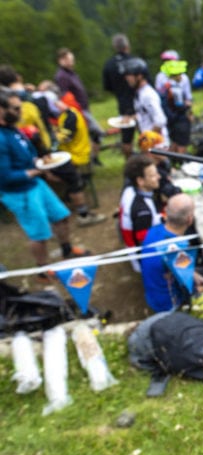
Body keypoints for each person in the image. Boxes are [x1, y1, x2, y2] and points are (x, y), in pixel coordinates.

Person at [0, 89, 89, 282]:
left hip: (36, 183)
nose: (21, 112)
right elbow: (4, 176)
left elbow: (28, 154)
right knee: (39, 233)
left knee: (61, 216)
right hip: (20, 193)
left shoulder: (13, 129)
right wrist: (33, 171)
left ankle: (67, 250)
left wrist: (42, 162)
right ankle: (43, 268)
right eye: (16, 109)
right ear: (1, 110)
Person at [140, 194, 203, 313]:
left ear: (166, 212)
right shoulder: (179, 249)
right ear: (190, 219)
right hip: (168, 305)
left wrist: (197, 277)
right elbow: (187, 286)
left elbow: (181, 269)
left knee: (202, 274)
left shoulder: (155, 230)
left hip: (152, 292)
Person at [45, 91, 107, 227]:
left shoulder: (70, 116)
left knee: (69, 179)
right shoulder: (66, 114)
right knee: (55, 174)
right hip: (71, 153)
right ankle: (69, 198)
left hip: (76, 155)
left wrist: (51, 137)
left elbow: (66, 137)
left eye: (55, 103)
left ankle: (81, 213)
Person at [54, 48, 102, 158]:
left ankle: (93, 157)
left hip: (84, 108)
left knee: (93, 133)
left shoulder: (71, 73)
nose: (70, 61)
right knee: (96, 132)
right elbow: (64, 97)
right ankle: (91, 158)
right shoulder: (62, 76)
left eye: (71, 58)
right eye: (66, 59)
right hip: (77, 111)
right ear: (60, 60)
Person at [119, 154, 162, 271]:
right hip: (143, 259)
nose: (159, 177)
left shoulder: (129, 189)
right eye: (153, 175)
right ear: (140, 181)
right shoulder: (143, 211)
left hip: (130, 242)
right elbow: (147, 245)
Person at [102, 34, 137, 157]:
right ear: (127, 46)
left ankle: (129, 162)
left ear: (115, 47)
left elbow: (107, 87)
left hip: (123, 104)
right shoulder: (135, 61)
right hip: (140, 102)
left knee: (127, 138)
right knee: (147, 132)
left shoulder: (109, 64)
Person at [122, 57, 169, 146]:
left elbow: (160, 120)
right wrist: (132, 118)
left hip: (157, 146)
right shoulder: (139, 92)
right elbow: (144, 112)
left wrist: (146, 140)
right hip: (150, 144)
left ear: (139, 76)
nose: (127, 78)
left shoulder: (148, 95)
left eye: (129, 75)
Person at [157, 59, 192, 154]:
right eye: (180, 74)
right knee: (182, 144)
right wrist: (187, 106)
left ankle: (172, 162)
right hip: (180, 120)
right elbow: (179, 106)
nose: (181, 76)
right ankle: (180, 163)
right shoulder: (176, 88)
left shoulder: (165, 86)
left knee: (175, 142)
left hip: (171, 119)